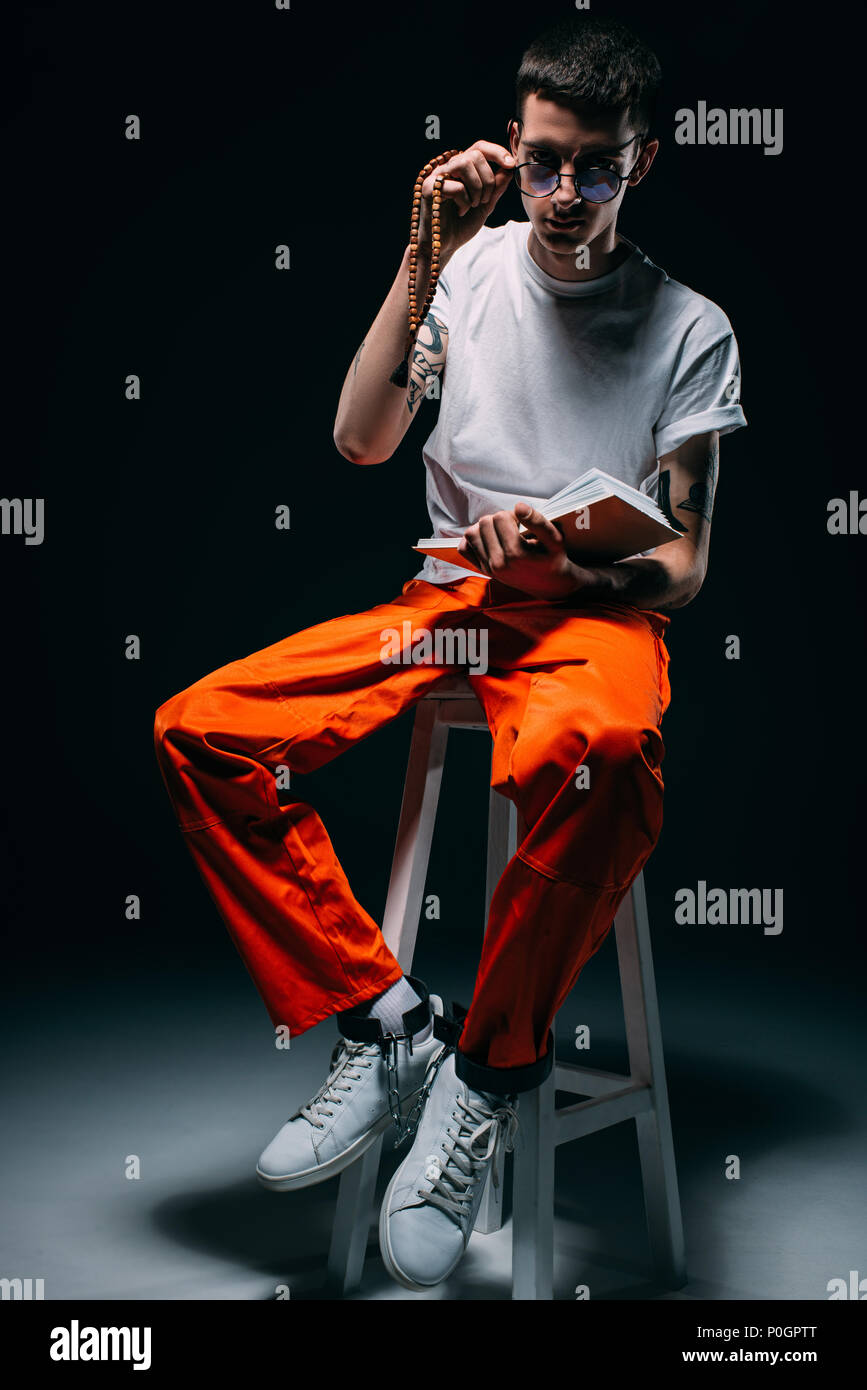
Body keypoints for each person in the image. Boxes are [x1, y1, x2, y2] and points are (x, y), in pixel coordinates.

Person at [153, 13, 747, 1294]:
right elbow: (363, 441)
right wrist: (423, 250)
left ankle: (482, 1075)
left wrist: (580, 562)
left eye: (595, 164)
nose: (564, 193)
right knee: (201, 726)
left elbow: (687, 566)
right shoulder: (465, 270)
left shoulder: (690, 326)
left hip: (586, 614)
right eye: (542, 160)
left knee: (602, 755)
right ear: (512, 144)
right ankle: (387, 1021)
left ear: (641, 161)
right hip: (447, 600)